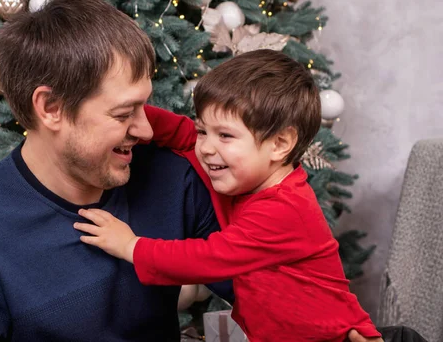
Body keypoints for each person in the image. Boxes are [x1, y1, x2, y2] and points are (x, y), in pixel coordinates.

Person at [0, 0, 380, 342]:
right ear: (51, 108)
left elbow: (266, 279)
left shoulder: (171, 179)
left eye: (145, 107)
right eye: (123, 114)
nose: (144, 130)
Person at [74, 50, 383, 341]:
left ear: (279, 144)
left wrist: (131, 246)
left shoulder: (284, 209)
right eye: (203, 131)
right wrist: (120, 113)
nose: (206, 147)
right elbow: (181, 134)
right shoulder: (239, 172)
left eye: (225, 135)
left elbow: (207, 258)